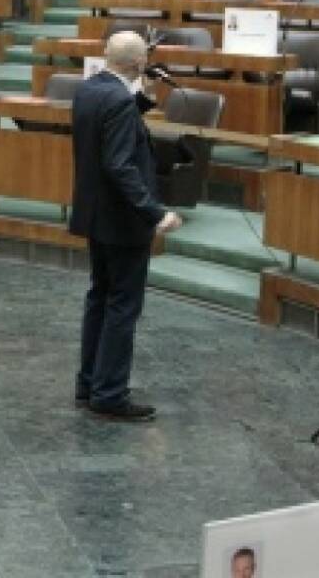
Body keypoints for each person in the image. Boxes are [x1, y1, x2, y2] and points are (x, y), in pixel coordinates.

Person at [68, 32, 182, 421]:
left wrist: (145, 97)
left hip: (96, 215)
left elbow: (112, 125)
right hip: (122, 220)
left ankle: (90, 384)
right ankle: (110, 393)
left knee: (100, 297)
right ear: (138, 62)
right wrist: (155, 212)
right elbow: (119, 163)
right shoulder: (117, 100)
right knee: (122, 306)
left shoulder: (90, 90)